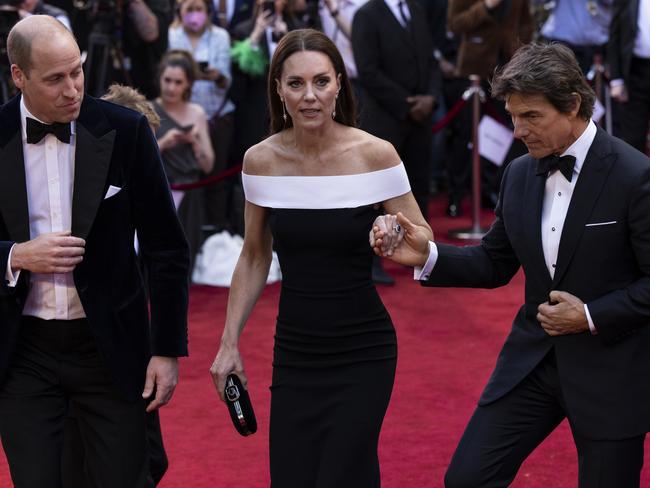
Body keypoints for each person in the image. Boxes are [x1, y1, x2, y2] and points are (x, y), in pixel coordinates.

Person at [374, 42, 650, 487]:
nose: (519, 130)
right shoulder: (520, 173)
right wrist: (427, 256)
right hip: (534, 361)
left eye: (532, 116)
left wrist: (590, 316)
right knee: (467, 479)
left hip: (610, 369)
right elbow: (494, 262)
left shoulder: (633, 176)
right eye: (514, 116)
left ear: (573, 104)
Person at [209, 28, 431, 487]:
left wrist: (395, 231)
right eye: (296, 84)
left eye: (321, 82)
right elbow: (253, 255)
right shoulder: (260, 161)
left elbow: (425, 240)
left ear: (339, 85)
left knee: (342, 474)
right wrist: (229, 342)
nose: (310, 96)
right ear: (279, 90)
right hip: (295, 352)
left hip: (364, 349)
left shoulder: (375, 154)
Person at [0, 15, 190, 488]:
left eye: (77, 72)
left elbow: (167, 247)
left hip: (108, 348)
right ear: (18, 76)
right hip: (23, 351)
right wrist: (16, 255)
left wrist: (167, 350)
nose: (72, 90)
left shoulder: (125, 131)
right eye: (55, 79)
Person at [60, 84, 171, 488]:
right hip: (73, 340)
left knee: (149, 459)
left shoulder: (149, 182)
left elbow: (165, 254)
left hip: (129, 337)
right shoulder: (64, 177)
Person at [169, 0, 236, 234]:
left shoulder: (220, 36)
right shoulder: (173, 35)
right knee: (188, 177)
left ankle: (217, 231)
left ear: (208, 12)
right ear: (180, 12)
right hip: (183, 115)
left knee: (217, 176)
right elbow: (171, 72)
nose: (194, 15)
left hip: (217, 115)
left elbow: (227, 80)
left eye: (199, 9)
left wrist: (216, 76)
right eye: (189, 10)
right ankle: (188, 229)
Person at [153, 49, 215, 268]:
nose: (171, 87)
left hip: (191, 194)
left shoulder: (196, 113)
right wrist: (164, 143)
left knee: (186, 255)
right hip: (162, 193)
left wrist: (195, 142)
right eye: (167, 80)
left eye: (178, 82)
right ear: (159, 78)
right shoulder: (149, 111)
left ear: (188, 84)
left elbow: (208, 165)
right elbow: (137, 162)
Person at [608, 0, 650, 155]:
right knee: (633, 137)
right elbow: (615, 34)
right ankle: (639, 178)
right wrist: (616, 79)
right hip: (635, 71)